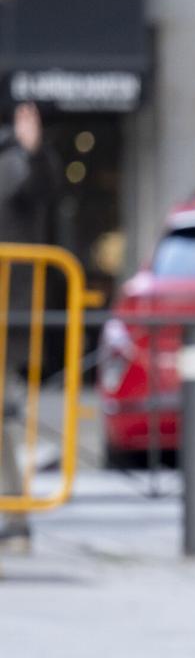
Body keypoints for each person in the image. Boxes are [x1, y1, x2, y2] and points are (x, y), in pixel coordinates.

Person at [0, 102, 59, 552]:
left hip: (8, 314)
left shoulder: (16, 161)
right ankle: (16, 520)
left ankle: (16, 521)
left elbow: (40, 189)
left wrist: (33, 151)